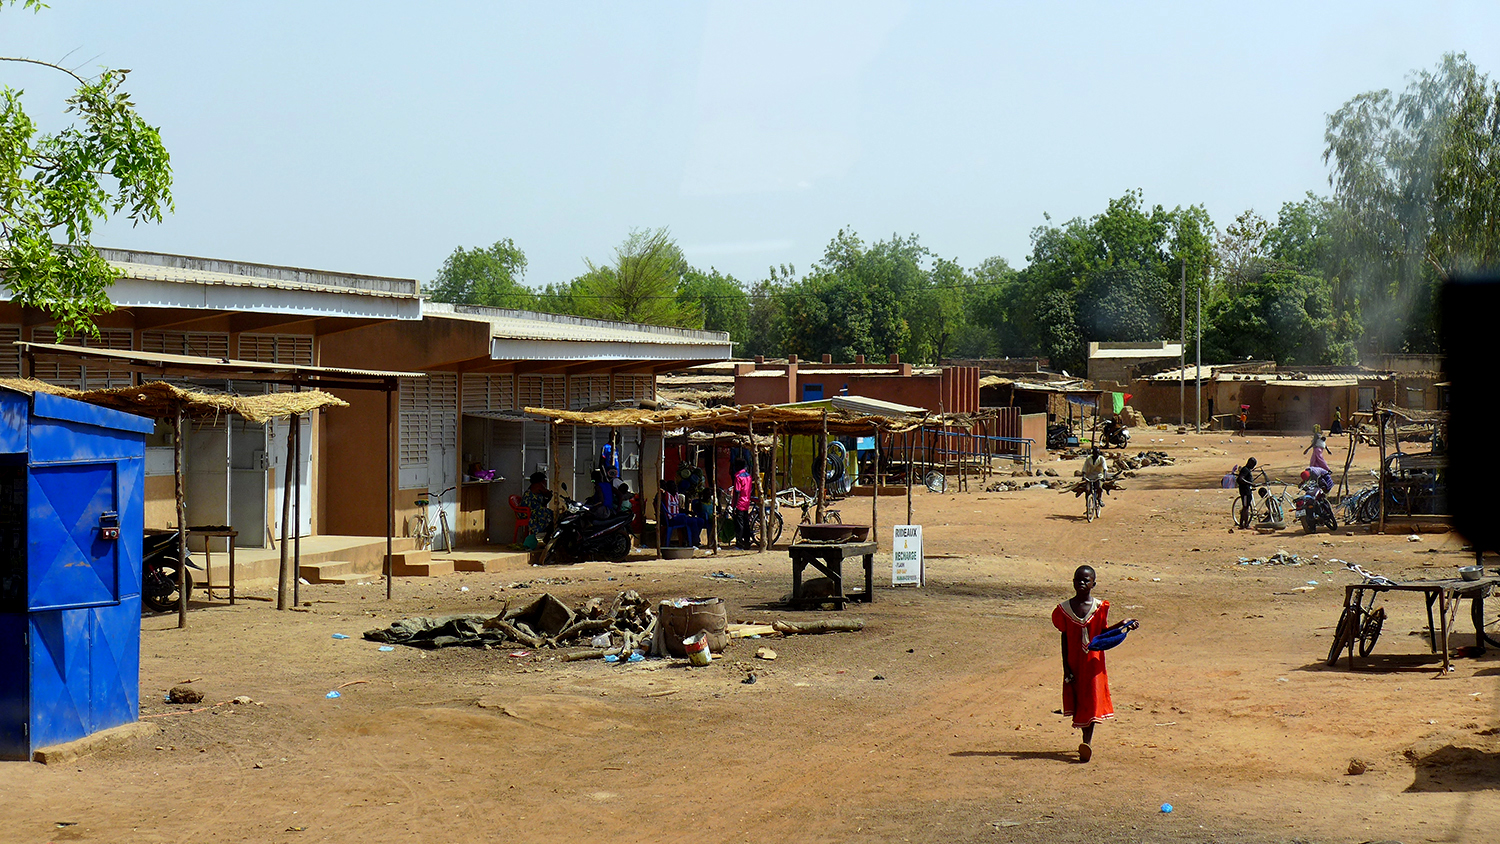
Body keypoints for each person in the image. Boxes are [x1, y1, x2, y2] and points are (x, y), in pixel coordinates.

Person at [1052, 565, 1136, 763]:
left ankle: (1086, 741)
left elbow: (1103, 632)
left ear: (1093, 584)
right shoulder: (1063, 609)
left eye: (1086, 580)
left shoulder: (1099, 608)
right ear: (1073, 582)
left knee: (1091, 698)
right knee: (1079, 698)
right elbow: (1064, 639)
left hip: (1093, 663)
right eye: (1078, 580)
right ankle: (1085, 738)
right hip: (1074, 663)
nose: (1082, 583)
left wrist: (1124, 624)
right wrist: (1066, 667)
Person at [521, 472, 554, 545]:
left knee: (550, 514)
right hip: (530, 512)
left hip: (534, 510)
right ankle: (547, 537)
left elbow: (543, 502)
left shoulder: (535, 487)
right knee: (550, 516)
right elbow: (546, 493)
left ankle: (547, 536)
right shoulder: (538, 486)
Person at [732, 458, 753, 550]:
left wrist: (734, 506)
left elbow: (737, 491)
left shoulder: (738, 476)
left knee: (739, 524)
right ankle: (747, 542)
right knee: (746, 523)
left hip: (740, 502)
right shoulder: (748, 476)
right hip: (746, 502)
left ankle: (739, 542)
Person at [1081, 446, 1109, 510]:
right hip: (1089, 476)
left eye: (1098, 453)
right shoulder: (1088, 459)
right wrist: (1084, 476)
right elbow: (1084, 468)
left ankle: (1099, 499)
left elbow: (1105, 469)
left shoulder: (1101, 459)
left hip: (1098, 476)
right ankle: (1087, 506)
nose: (1097, 454)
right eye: (1095, 453)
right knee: (1087, 490)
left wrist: (1104, 477)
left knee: (1099, 487)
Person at [1236, 457, 1258, 529]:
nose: (1253, 467)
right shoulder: (1245, 470)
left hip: (1247, 491)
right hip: (1244, 491)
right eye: (1253, 465)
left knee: (1246, 507)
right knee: (1245, 508)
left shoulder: (1247, 470)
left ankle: (1242, 524)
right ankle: (1245, 524)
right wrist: (1250, 484)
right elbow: (1240, 479)